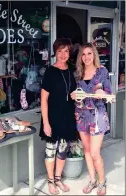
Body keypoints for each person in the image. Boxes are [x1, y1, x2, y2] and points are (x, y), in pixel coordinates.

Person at [71, 43, 112, 195]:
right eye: (83, 54)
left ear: (94, 54)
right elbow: (78, 94)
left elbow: (109, 93)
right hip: (81, 115)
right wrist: (75, 95)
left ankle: (102, 181)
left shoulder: (102, 71)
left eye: (89, 53)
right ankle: (92, 180)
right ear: (80, 57)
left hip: (97, 115)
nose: (86, 57)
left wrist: (103, 93)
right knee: (87, 150)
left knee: (95, 153)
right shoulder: (78, 73)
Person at [39, 38, 78, 195]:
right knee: (51, 150)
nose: (63, 54)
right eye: (60, 51)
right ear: (55, 52)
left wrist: (76, 96)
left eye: (66, 51)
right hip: (53, 117)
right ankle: (50, 181)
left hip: (67, 116)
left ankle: (58, 178)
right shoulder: (50, 71)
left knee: (62, 150)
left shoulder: (70, 71)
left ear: (69, 53)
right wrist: (46, 123)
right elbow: (43, 99)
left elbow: (72, 93)